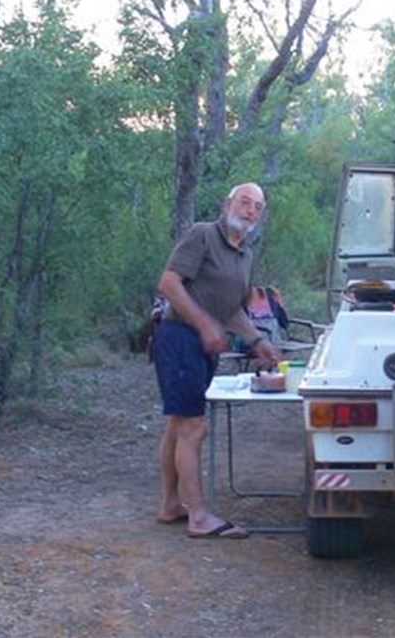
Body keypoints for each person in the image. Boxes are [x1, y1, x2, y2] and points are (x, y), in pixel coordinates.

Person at [152, 182, 278, 539]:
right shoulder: (202, 235)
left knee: (178, 424)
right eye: (244, 202)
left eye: (257, 206)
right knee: (194, 427)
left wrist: (257, 340)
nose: (250, 210)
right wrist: (205, 323)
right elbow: (169, 284)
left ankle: (170, 504)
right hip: (179, 338)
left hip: (205, 344)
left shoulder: (244, 254)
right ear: (227, 204)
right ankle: (199, 516)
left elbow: (232, 308)